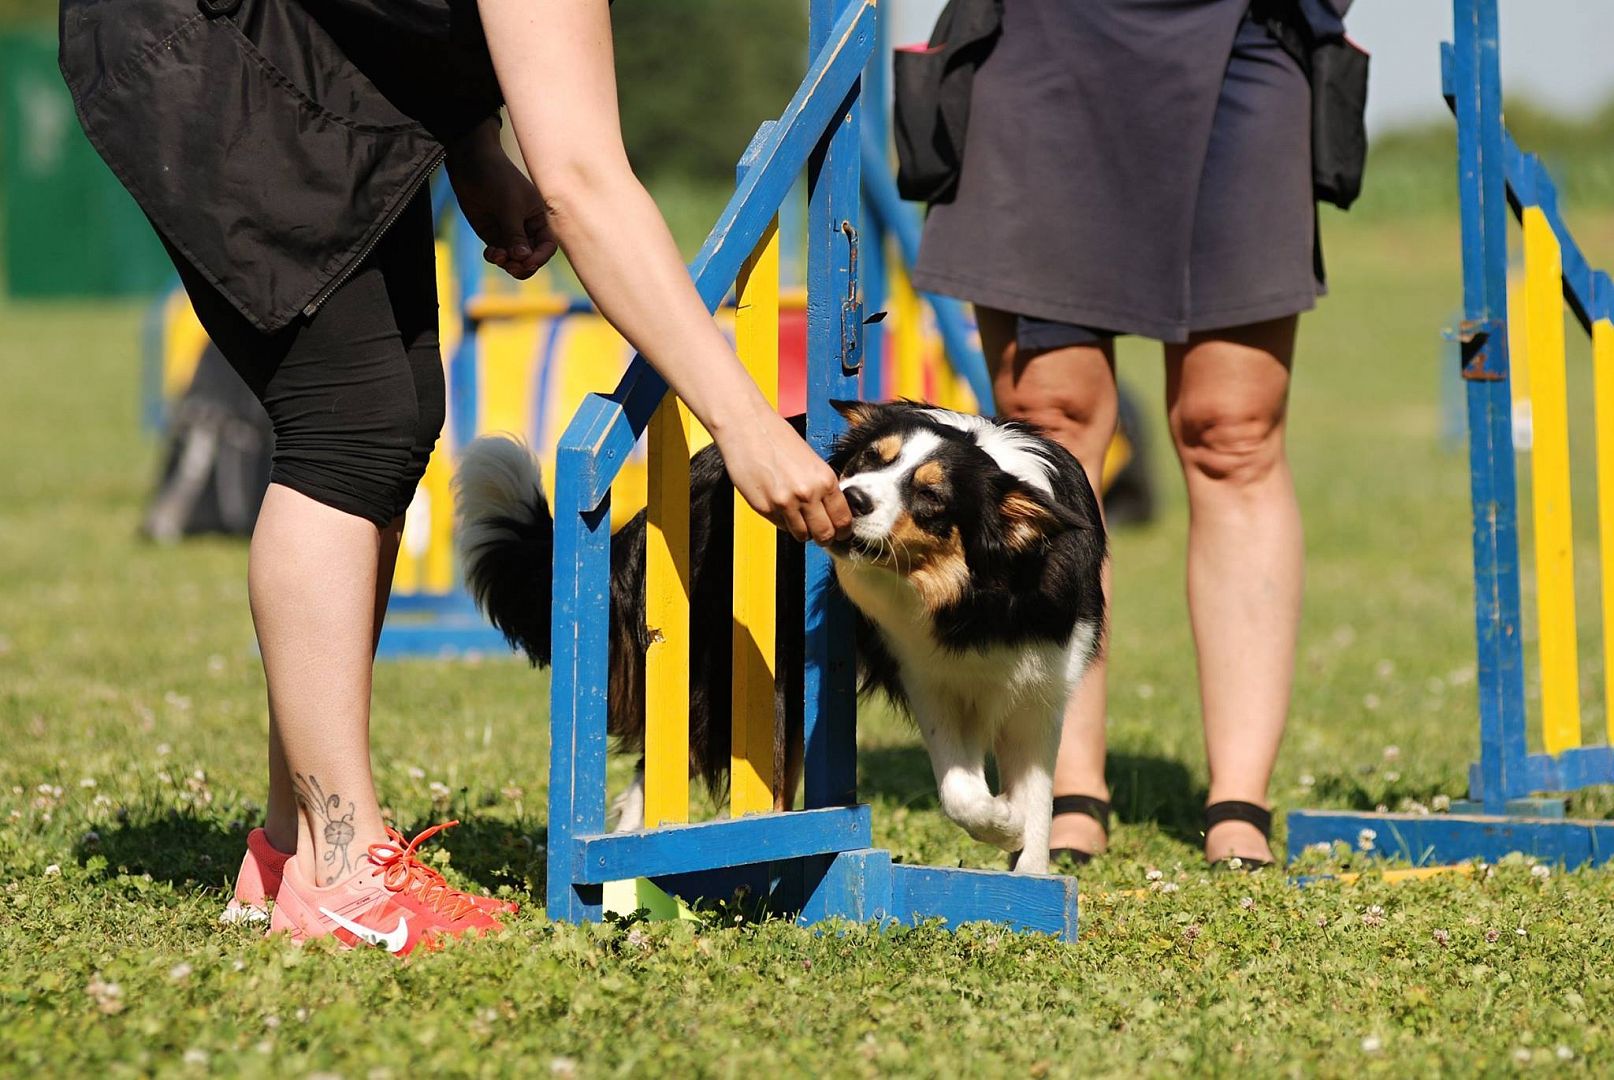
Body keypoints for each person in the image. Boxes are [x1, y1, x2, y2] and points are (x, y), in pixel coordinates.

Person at [60, 0, 852, 953]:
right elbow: (585, 181)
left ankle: (285, 851)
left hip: (315, 58)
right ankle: (341, 873)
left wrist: (474, 146)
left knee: (388, 407)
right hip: (212, 41)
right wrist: (743, 419)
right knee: (349, 420)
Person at [914, 0, 1351, 868]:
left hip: (1246, 37)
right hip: (1044, 41)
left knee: (1233, 426)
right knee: (1051, 422)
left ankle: (1239, 800)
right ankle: (1063, 789)